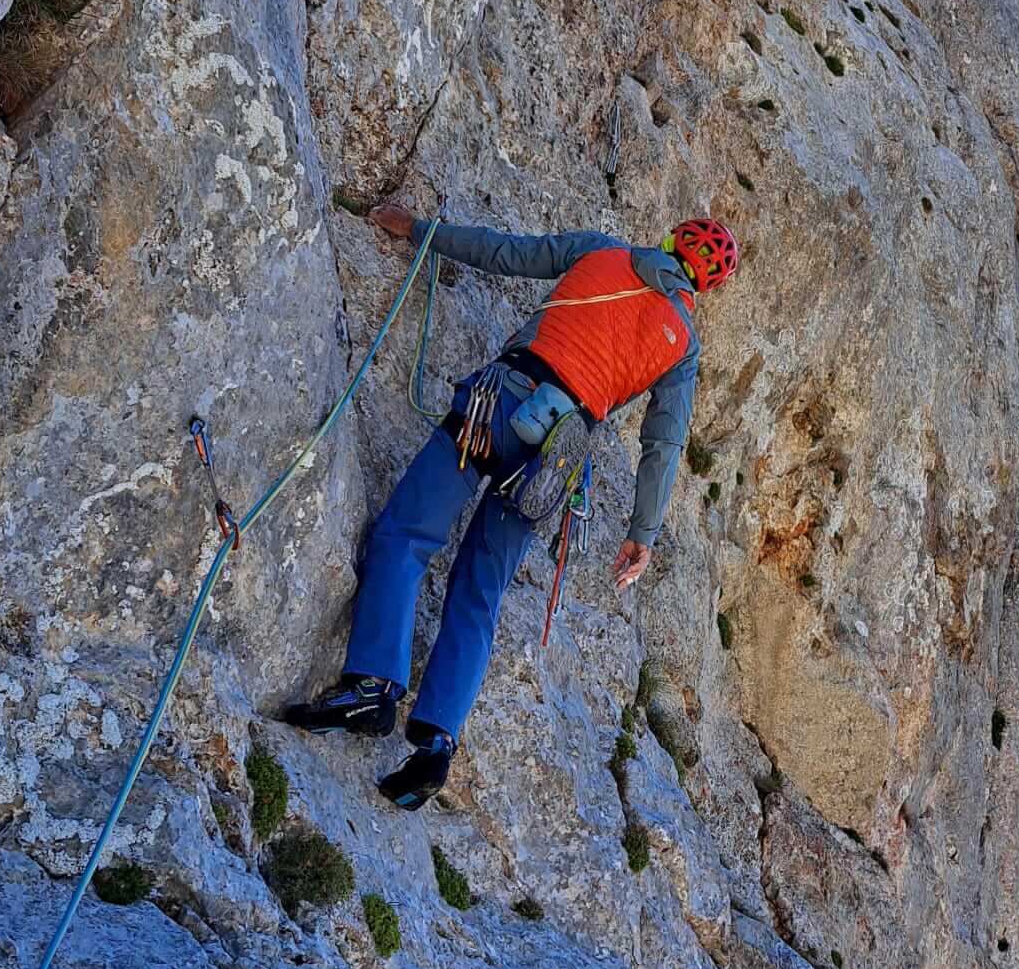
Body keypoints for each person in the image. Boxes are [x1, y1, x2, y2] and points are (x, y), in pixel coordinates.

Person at [284, 208, 739, 807]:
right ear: (702, 288)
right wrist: (642, 532)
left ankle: (372, 687)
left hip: (499, 407)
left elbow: (502, 252)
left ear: (667, 240)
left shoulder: (599, 250)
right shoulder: (683, 347)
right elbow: (664, 444)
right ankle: (435, 745)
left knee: (406, 534)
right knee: (480, 593)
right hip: (554, 462)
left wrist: (420, 230)